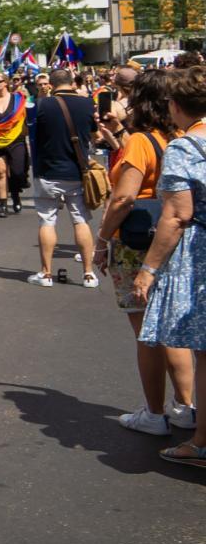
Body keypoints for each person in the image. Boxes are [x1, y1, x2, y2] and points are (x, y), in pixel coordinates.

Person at [95, 69, 195, 437]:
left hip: (139, 240)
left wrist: (103, 239)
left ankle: (154, 413)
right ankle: (185, 406)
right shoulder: (181, 136)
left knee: (147, 332)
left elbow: (124, 197)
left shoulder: (141, 140)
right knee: (172, 329)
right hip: (174, 240)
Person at [129, 63, 206, 468]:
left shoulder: (185, 147)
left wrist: (149, 269)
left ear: (176, 105)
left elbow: (176, 215)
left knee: (204, 350)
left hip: (201, 253)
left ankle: (201, 443)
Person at [27, 67, 103, 288]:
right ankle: (88, 274)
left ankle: (46, 274)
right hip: (77, 171)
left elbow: (30, 134)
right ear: (72, 82)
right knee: (81, 220)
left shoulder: (42, 105)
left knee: (47, 221)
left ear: (50, 85)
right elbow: (95, 135)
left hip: (48, 171)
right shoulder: (87, 104)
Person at [0, 78, 29, 217]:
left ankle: (15, 193)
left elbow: (28, 116)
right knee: (0, 172)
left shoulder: (18, 100)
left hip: (16, 140)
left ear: (5, 83)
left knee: (17, 172)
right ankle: (3, 205)